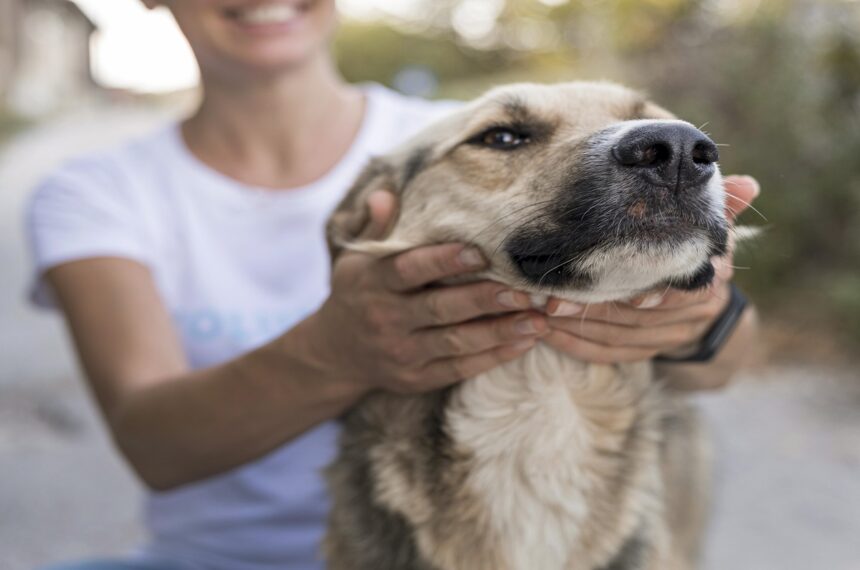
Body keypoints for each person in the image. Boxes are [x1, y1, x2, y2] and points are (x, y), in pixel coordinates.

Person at [27, 1, 760, 569]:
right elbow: (153, 444)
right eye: (508, 138)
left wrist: (704, 319)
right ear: (362, 226)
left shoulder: (431, 128)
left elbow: (727, 359)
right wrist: (338, 350)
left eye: (664, 138)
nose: (665, 153)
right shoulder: (97, 192)